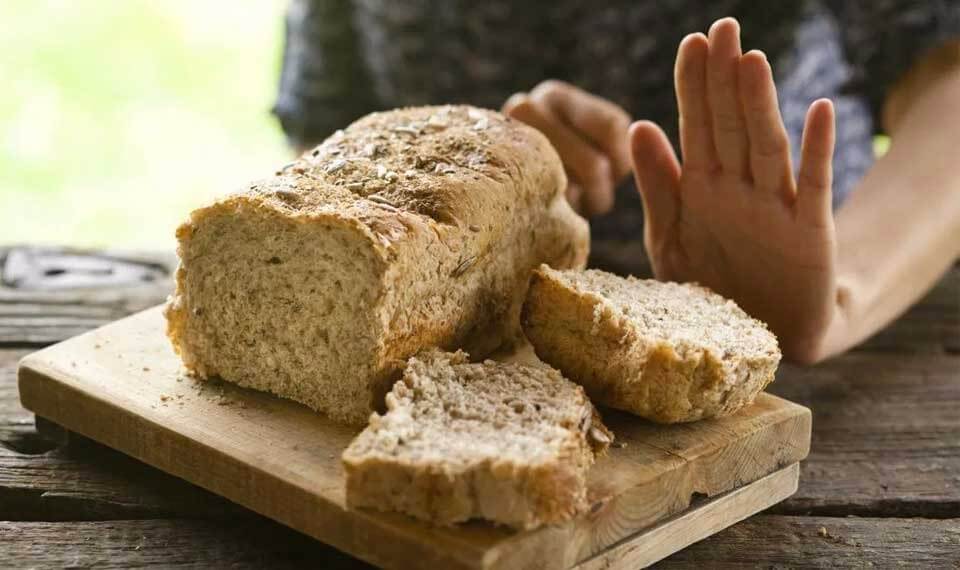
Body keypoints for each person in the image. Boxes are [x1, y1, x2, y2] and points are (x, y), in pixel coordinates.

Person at [273, 1, 960, 363]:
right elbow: (330, 141)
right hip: (474, 340)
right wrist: (496, 184)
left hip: (836, 322)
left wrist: (843, 290)